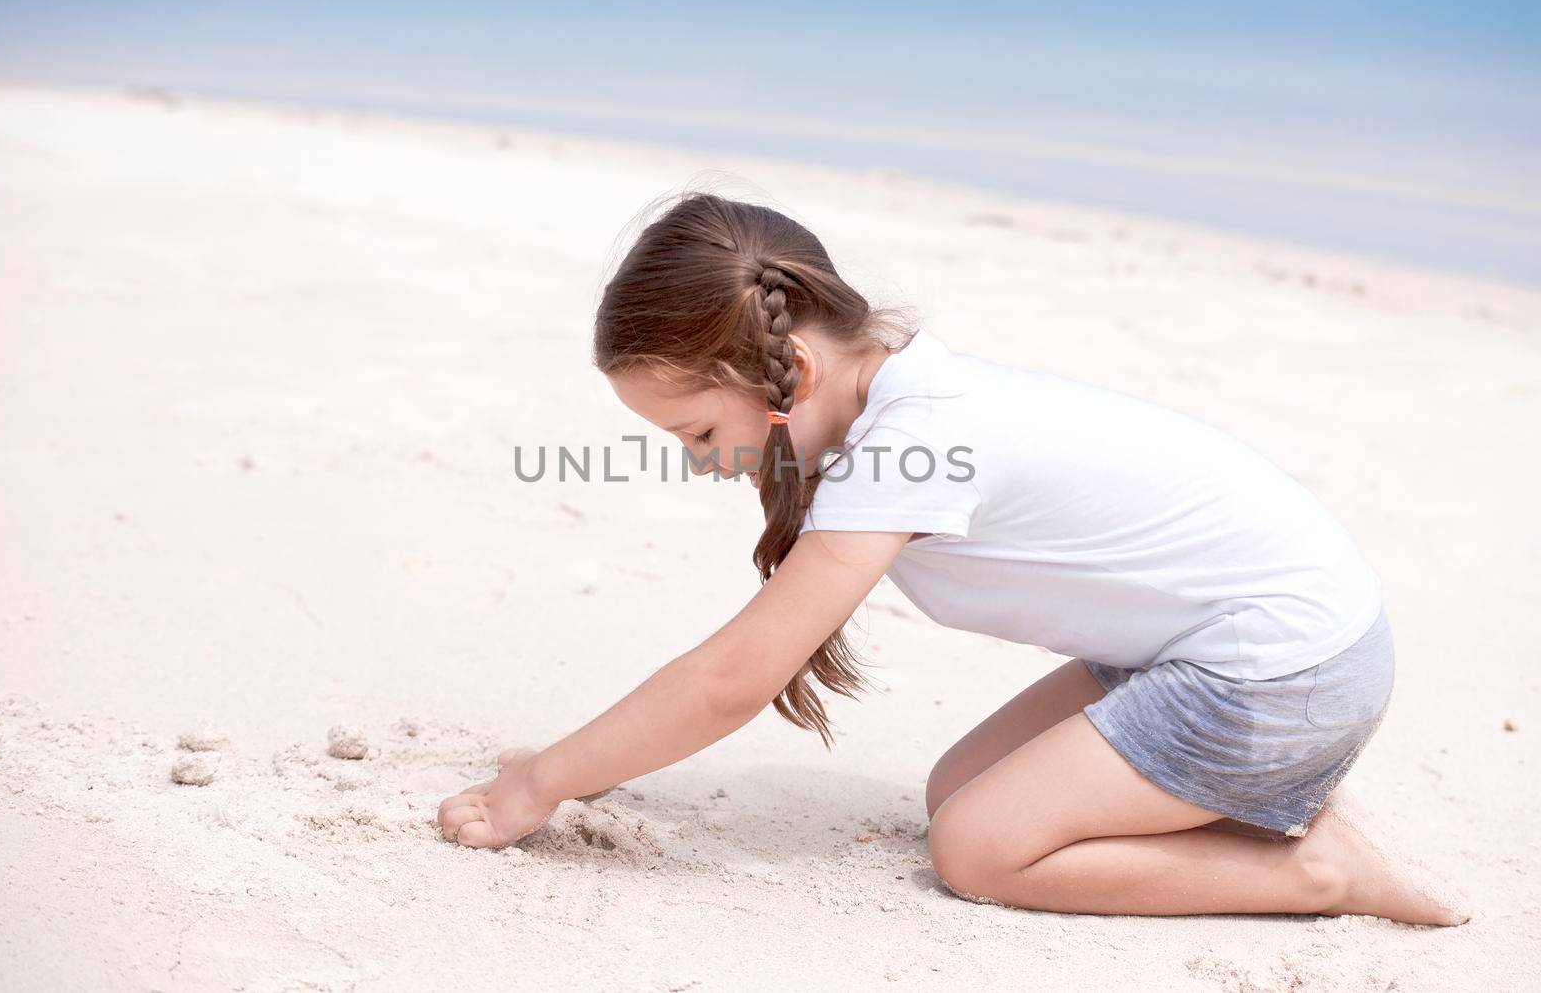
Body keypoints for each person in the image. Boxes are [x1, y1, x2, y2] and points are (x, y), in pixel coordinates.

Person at [437, 190, 1467, 925]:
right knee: (958, 790)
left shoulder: (908, 445)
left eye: (701, 433)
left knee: (978, 848)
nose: (705, 466)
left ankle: (1318, 868)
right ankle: (1264, 799)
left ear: (788, 366)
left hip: (1282, 666)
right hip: (1241, 636)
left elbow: (731, 679)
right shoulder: (898, 395)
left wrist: (545, 780)